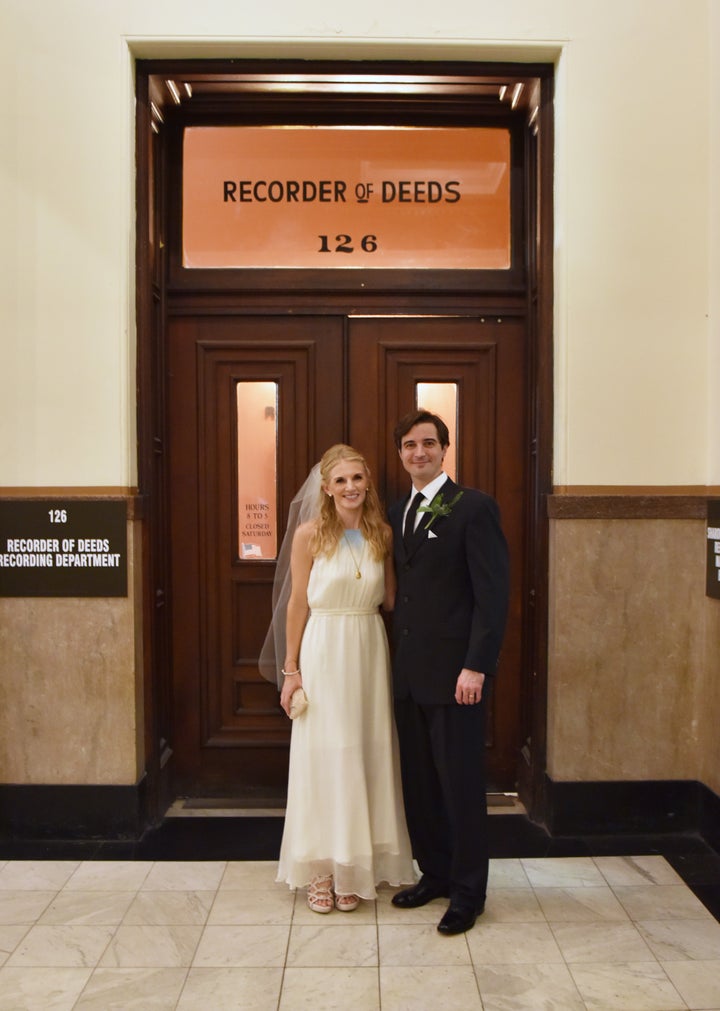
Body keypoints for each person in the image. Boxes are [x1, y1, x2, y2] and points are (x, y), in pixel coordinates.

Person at [267, 444, 415, 913]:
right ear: (327, 489)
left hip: (367, 645)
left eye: (357, 478)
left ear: (368, 482)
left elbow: (391, 599)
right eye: (341, 481)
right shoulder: (310, 534)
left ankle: (354, 866)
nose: (350, 487)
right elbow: (297, 604)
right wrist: (291, 671)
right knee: (326, 756)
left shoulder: (383, 534)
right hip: (324, 646)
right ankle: (321, 870)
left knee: (365, 751)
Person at [388, 409, 510, 935]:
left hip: (457, 678)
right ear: (400, 453)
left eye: (429, 444)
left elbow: (492, 597)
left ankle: (467, 892)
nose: (420, 452)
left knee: (459, 787)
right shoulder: (396, 512)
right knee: (420, 785)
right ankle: (434, 873)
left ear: (445, 450)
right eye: (410, 445)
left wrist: (476, 666)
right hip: (408, 676)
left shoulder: (473, 507)